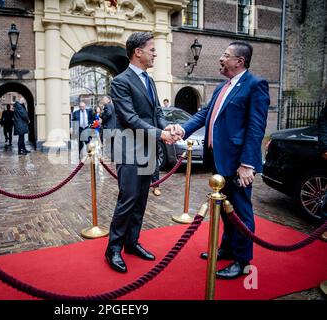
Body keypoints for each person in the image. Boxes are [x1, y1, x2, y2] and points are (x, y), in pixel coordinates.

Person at [177, 41, 270, 280]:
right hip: (219, 161)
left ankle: (242, 260)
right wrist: (181, 130)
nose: (220, 58)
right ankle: (227, 249)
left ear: (239, 61)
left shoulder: (255, 85)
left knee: (241, 212)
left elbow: (256, 127)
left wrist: (248, 164)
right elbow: (205, 114)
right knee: (226, 211)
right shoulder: (222, 87)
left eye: (225, 55)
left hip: (239, 164)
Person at [105, 32, 179, 273]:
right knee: (127, 200)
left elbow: (156, 111)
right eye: (152, 49)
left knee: (141, 200)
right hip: (128, 148)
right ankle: (113, 249)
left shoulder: (149, 80)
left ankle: (132, 242)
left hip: (146, 149)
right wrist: (160, 134)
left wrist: (165, 126)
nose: (155, 53)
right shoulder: (120, 81)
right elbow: (129, 117)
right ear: (138, 52)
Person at [100, 95, 116, 162]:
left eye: (104, 99)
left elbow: (108, 113)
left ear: (108, 100)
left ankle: (110, 157)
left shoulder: (107, 105)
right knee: (112, 143)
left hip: (108, 128)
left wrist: (102, 117)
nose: (103, 100)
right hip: (113, 128)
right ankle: (112, 158)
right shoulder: (113, 105)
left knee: (109, 143)